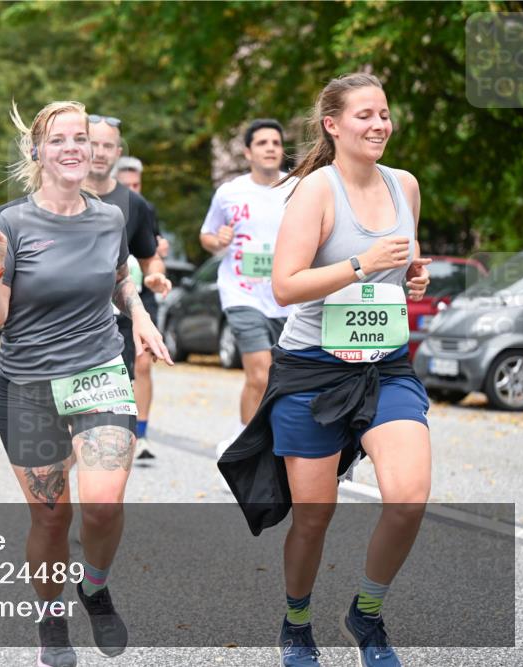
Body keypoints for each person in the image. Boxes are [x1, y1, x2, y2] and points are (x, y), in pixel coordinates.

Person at [219, 73, 432, 667]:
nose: (379, 125)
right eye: (365, 115)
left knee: (409, 497)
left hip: (385, 366)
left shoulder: (405, 186)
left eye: (385, 113)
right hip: (313, 370)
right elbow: (285, 286)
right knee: (314, 518)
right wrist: (362, 263)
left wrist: (413, 276)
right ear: (333, 125)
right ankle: (297, 621)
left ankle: (366, 614)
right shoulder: (315, 191)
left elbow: (405, 265)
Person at [0, 100, 172, 667]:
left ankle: (94, 583)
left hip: (99, 372)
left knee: (104, 505)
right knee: (52, 517)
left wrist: (139, 315)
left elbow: (118, 281)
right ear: (37, 152)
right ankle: (51, 619)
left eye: (81, 138)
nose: (72, 148)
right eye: (58, 139)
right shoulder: (9, 223)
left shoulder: (110, 217)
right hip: (29, 383)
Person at [200, 119, 295, 454]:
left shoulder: (298, 189)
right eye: (262, 143)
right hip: (241, 294)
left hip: (287, 298)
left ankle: (261, 441)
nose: (270, 148)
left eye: (276, 143)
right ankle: (247, 453)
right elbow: (207, 235)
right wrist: (218, 240)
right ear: (247, 151)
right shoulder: (230, 192)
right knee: (259, 374)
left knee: (283, 380)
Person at [82, 118, 171, 461]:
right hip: (69, 321)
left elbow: (151, 257)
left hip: (121, 314)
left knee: (122, 388)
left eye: (108, 146)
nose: (100, 152)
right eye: (94, 143)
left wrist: (155, 276)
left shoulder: (135, 205)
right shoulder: (60, 197)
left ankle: (136, 436)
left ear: (118, 152)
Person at [113, 155, 170, 459]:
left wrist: (158, 263)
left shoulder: (144, 208)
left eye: (137, 184)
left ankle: (142, 435)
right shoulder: (96, 208)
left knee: (143, 362)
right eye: (128, 185)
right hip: (109, 299)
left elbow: (153, 250)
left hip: (141, 296)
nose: (134, 190)